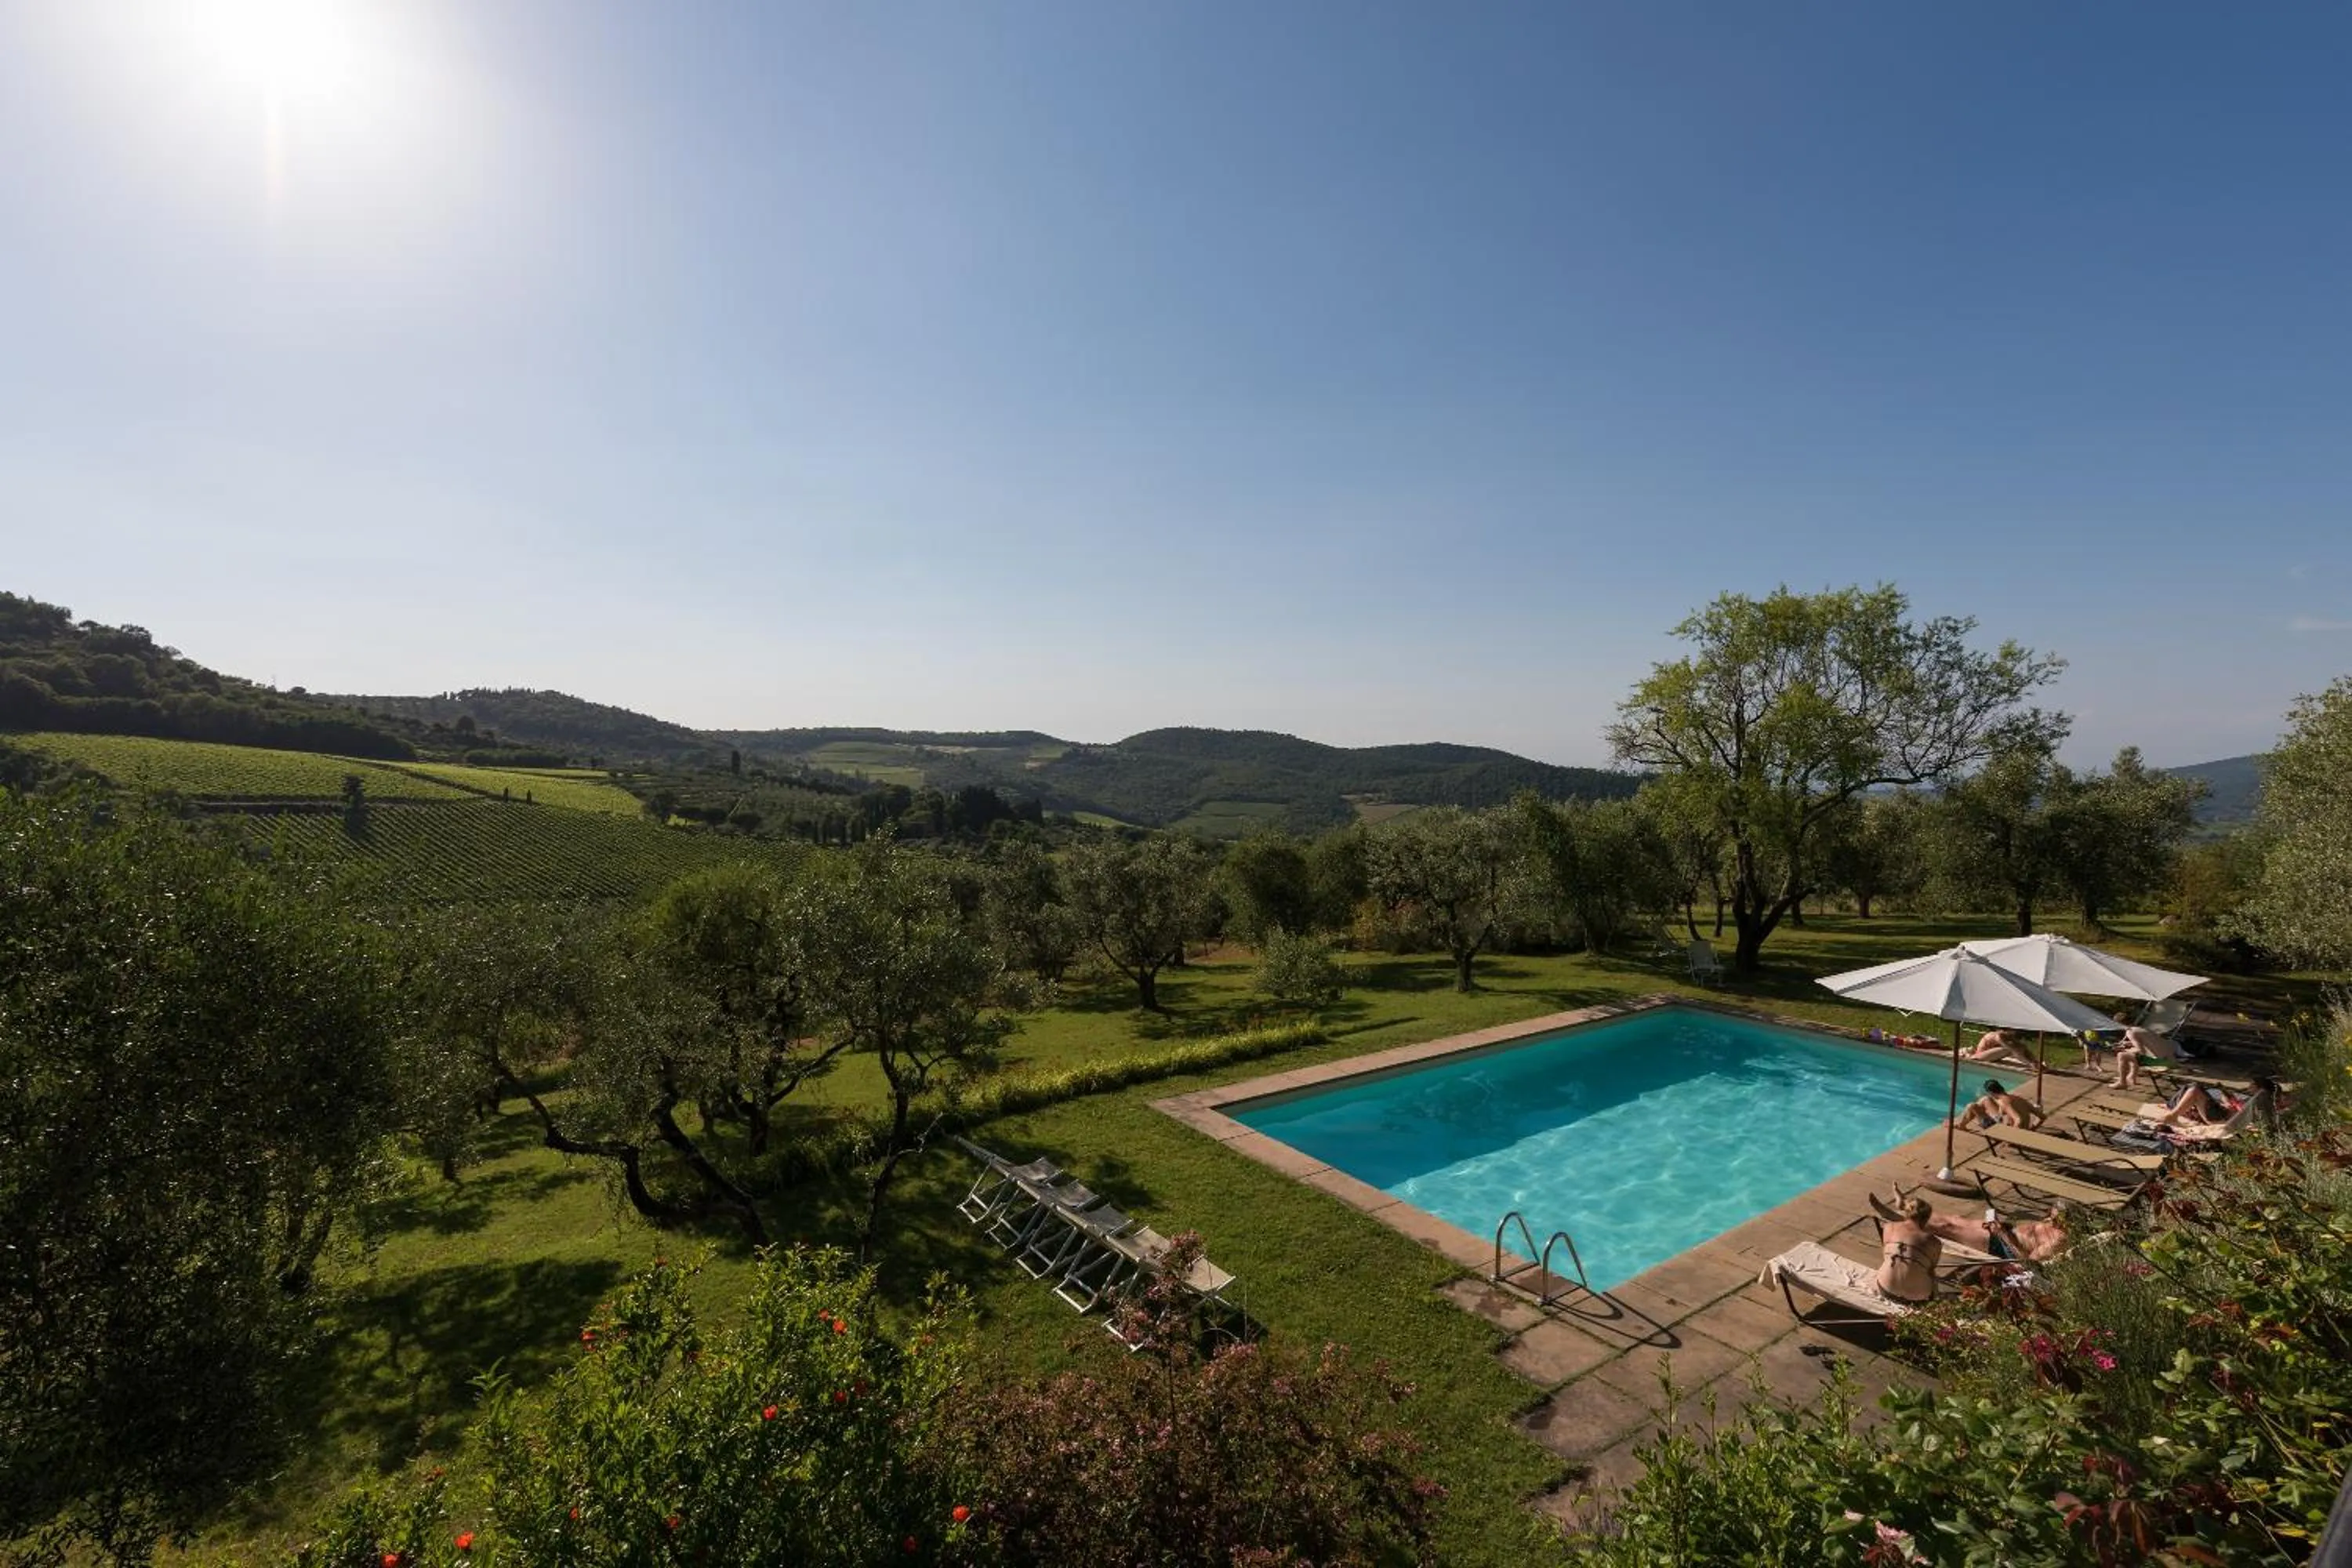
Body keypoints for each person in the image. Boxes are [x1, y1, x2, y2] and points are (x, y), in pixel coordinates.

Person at [1878, 1190, 2069, 1262]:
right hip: (2003, 1232)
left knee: (1948, 1227)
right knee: (1954, 1218)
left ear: (2065, 1221)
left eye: (2054, 1217)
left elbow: (2027, 1262)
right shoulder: (2051, 1225)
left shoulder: (2057, 1241)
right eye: (2050, 1214)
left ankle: (1901, 1218)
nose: (2049, 1218)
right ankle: (1905, 1208)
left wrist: (2002, 1235)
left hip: (2001, 1247)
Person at [1873, 1194, 1942, 1303]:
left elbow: (1885, 1255)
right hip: (1918, 1298)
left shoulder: (1889, 1227)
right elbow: (1931, 1268)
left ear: (1906, 1212)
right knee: (1931, 1274)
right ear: (1926, 1218)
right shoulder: (1934, 1242)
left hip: (1887, 1289)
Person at [2106, 1009, 2183, 1090]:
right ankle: (2132, 1078)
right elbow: (2148, 1044)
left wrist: (2123, 1049)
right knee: (2132, 1055)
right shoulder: (2141, 1029)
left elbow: (2140, 1051)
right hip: (2170, 1059)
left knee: (2122, 1055)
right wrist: (2128, 1044)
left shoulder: (2130, 1032)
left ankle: (2122, 1082)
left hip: (2160, 1063)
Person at [1956, 1078, 2041, 1131]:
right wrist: (2032, 1128)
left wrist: (2011, 1139)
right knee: (1985, 1099)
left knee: (1971, 1106)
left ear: (1991, 1092)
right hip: (2003, 1123)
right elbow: (2043, 1117)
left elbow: (2018, 1120)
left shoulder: (2004, 1102)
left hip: (2000, 1130)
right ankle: (1962, 1125)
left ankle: (1962, 1125)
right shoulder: (2018, 1099)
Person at [1965, 1029, 2037, 1067]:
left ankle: (2036, 1064)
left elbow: (2022, 1047)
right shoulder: (1999, 1036)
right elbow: (2013, 1051)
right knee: (2008, 1049)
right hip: (1978, 1058)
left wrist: (2035, 1061)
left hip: (1989, 1057)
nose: (2015, 1036)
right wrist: (2030, 1063)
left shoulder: (2008, 1036)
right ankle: (2034, 1065)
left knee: (2020, 1047)